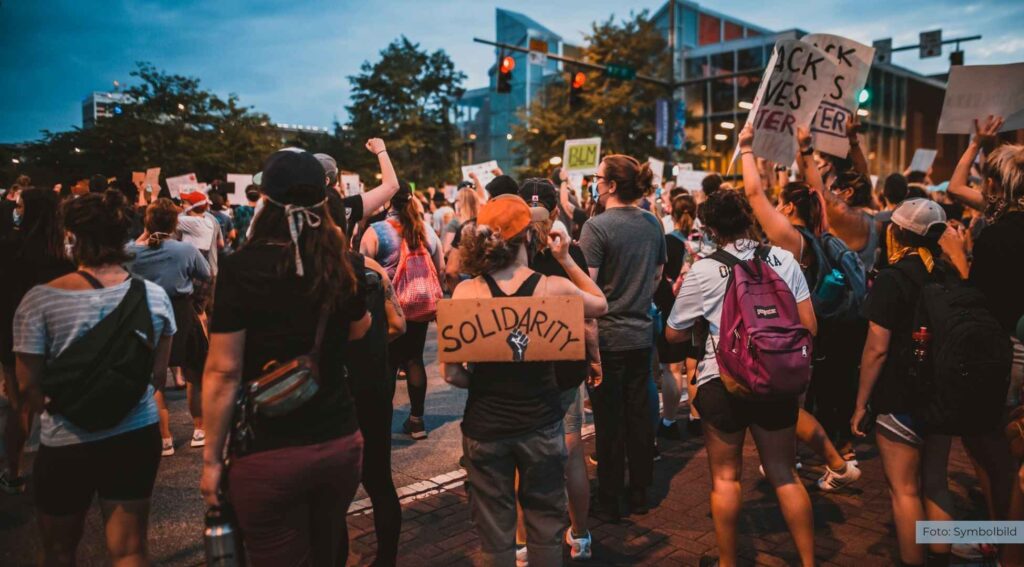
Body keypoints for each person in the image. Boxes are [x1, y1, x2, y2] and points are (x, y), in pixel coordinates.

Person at [200, 148, 371, 566]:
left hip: (268, 449)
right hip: (338, 441)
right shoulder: (341, 264)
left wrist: (210, 461)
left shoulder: (240, 268)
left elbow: (223, 371)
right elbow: (360, 330)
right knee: (328, 547)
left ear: (265, 201)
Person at [444, 194, 608, 567]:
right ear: (529, 238)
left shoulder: (467, 293)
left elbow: (451, 373)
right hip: (541, 424)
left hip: (485, 427)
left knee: (496, 539)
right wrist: (566, 257)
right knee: (545, 534)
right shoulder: (553, 287)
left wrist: (486, 384)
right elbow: (600, 304)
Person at [13, 190, 175, 565]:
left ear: (74, 236)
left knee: (58, 549)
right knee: (131, 549)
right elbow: (158, 376)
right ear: (123, 236)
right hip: (135, 431)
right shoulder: (152, 297)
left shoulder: (40, 300)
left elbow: (27, 388)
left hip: (67, 439)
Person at [665, 189, 817, 567]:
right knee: (784, 475)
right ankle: (809, 561)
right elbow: (810, 326)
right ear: (750, 217)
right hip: (776, 380)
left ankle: (728, 563)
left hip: (724, 379)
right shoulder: (784, 260)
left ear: (712, 229)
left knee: (726, 479)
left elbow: (673, 334)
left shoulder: (702, 270)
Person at [851, 198, 958, 567]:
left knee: (906, 492)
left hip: (899, 396)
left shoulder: (892, 279)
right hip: (942, 395)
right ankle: (941, 558)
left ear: (896, 233)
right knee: (936, 483)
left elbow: (876, 350)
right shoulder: (948, 274)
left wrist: (861, 404)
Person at [947, 116, 1024, 565]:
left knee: (992, 448)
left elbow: (977, 301)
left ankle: (999, 540)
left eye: (989, 178)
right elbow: (959, 185)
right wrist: (978, 142)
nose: (983, 184)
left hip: (1004, 350)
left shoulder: (997, 234)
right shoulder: (1000, 218)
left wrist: (959, 261)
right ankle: (999, 535)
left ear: (999, 186)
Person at [579, 154, 666, 519]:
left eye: (597, 178)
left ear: (612, 185)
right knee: (640, 416)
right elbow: (658, 276)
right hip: (642, 333)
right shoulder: (652, 223)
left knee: (609, 421)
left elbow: (588, 289)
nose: (593, 183)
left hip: (608, 338)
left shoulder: (596, 228)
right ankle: (640, 491)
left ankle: (611, 495)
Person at [518, 178, 598, 560]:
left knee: (523, 453)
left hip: (522, 363)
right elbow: (593, 312)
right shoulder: (569, 251)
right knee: (570, 449)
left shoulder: (508, 251)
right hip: (565, 362)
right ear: (554, 211)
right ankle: (580, 536)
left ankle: (521, 542)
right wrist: (594, 356)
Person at [0, 188, 75, 493]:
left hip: (13, 335)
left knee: (19, 407)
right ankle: (57, 469)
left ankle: (14, 472)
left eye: (18, 206)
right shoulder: (62, 256)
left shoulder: (8, 250)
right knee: (55, 404)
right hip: (55, 337)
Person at [125, 198, 212, 456]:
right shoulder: (184, 250)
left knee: (155, 378)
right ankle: (199, 429)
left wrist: (143, 236)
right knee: (195, 371)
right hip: (181, 310)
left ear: (146, 222)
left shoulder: (131, 251)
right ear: (175, 222)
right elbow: (206, 274)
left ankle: (165, 438)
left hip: (146, 312)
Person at [360, 181, 444, 439]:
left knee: (387, 364)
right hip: (418, 306)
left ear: (387, 201)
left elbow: (362, 269)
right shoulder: (426, 230)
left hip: (387, 310)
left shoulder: (376, 231)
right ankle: (417, 421)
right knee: (414, 359)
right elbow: (439, 268)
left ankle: (381, 423)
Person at [341, 254, 406, 566]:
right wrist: (372, 345)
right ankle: (387, 559)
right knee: (380, 481)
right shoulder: (372, 272)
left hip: (334, 392)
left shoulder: (307, 273)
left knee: (332, 492)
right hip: (374, 386)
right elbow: (399, 325)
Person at [653, 193, 698, 440]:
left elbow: (658, 274)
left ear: (673, 213)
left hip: (672, 309)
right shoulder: (705, 240)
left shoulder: (667, 241)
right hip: (700, 309)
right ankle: (696, 418)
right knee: (695, 365)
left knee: (671, 368)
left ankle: (669, 421)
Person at [231, 184, 260, 248]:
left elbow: (234, 230)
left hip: (242, 245)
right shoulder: (263, 210)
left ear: (246, 196)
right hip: (258, 246)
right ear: (259, 196)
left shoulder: (239, 210)